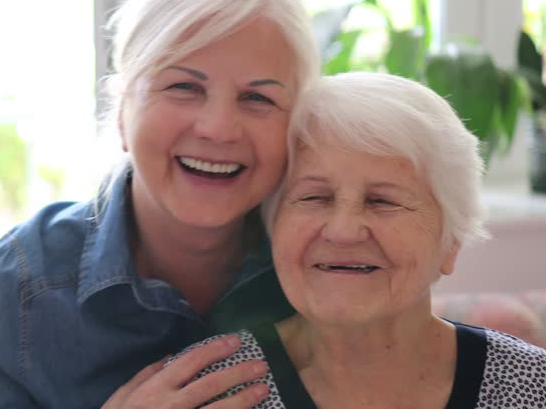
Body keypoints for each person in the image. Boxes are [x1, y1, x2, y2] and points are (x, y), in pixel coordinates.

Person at [0, 0, 320, 407]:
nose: (217, 128)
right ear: (121, 112)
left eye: (257, 97)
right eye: (184, 87)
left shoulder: (332, 265)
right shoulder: (27, 278)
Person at [172, 72, 546, 408]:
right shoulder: (202, 389)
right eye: (314, 197)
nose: (343, 231)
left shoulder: (531, 385)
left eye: (383, 201)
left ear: (452, 242)